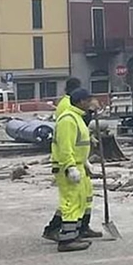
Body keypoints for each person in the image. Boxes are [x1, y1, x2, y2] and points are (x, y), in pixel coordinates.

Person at [50, 88, 97, 252]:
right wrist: (70, 167)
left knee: (81, 200)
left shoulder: (77, 118)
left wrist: (85, 163)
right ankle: (67, 240)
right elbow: (65, 147)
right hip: (68, 166)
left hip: (78, 164)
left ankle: (75, 233)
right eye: (89, 100)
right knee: (70, 201)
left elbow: (79, 145)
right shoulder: (68, 120)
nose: (91, 103)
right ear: (81, 102)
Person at [41, 77, 84, 242]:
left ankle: (68, 230)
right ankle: (66, 234)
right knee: (70, 200)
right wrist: (70, 165)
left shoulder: (65, 105)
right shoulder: (68, 109)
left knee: (75, 199)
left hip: (75, 159)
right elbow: (66, 141)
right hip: (68, 161)